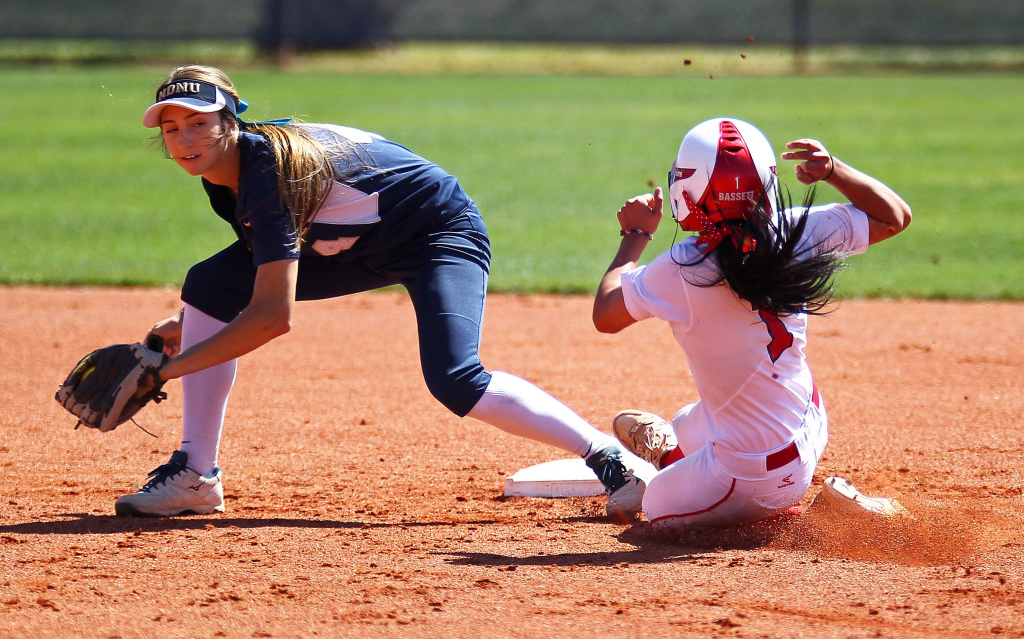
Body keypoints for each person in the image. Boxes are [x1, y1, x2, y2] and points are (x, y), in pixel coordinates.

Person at [114, 64, 645, 520]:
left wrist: (162, 372)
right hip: (352, 241)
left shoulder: (268, 172)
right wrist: (193, 322)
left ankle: (606, 457)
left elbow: (274, 315)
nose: (185, 140)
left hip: (436, 234)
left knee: (456, 378)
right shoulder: (221, 175)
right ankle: (196, 475)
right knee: (208, 285)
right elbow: (263, 274)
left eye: (200, 124)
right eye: (173, 128)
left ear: (232, 121)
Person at [592, 117, 911, 530]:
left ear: (689, 190)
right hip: (808, 423)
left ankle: (808, 517)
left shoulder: (681, 267)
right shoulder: (796, 231)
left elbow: (605, 316)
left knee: (655, 507)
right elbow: (894, 216)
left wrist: (634, 235)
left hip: (755, 474)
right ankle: (682, 453)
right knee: (689, 423)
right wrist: (834, 170)